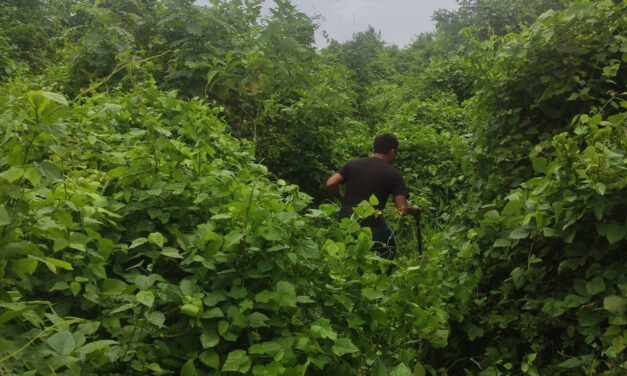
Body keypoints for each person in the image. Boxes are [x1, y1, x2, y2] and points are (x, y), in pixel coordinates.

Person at [326, 133, 421, 260]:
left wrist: (342, 199)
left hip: (346, 221)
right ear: (393, 151)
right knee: (389, 249)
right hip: (372, 224)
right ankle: (380, 275)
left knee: (349, 257)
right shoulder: (393, 174)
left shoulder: (353, 164)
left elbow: (331, 183)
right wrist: (414, 210)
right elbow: (402, 209)